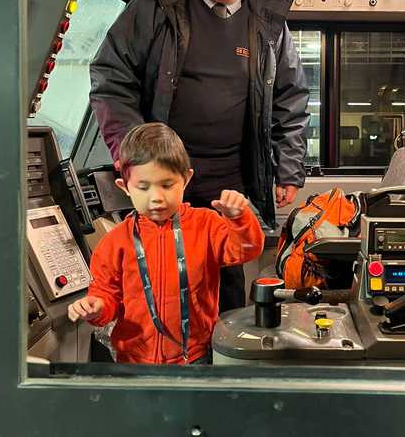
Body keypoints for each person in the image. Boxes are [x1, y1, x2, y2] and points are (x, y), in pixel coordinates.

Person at [90, 0, 309, 312]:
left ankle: (213, 366)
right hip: (164, 176)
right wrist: (133, 154)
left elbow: (290, 98)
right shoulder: (157, 6)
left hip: (230, 180)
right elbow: (111, 77)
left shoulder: (269, 24)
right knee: (156, 280)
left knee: (222, 283)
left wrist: (289, 167)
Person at [67, 122, 265, 365]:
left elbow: (246, 249)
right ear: (124, 187)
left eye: (167, 185)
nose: (157, 198)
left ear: (186, 179)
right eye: (143, 187)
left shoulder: (206, 225)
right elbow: (106, 294)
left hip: (195, 356)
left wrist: (238, 218)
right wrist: (96, 308)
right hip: (133, 361)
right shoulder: (114, 242)